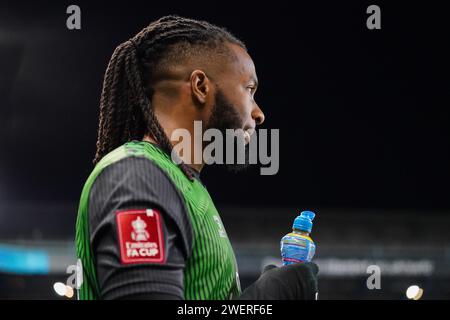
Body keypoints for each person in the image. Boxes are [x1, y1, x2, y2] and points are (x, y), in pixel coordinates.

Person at [75, 15, 318, 300]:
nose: (258, 113)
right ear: (201, 86)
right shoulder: (135, 177)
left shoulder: (183, 182)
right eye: (249, 90)